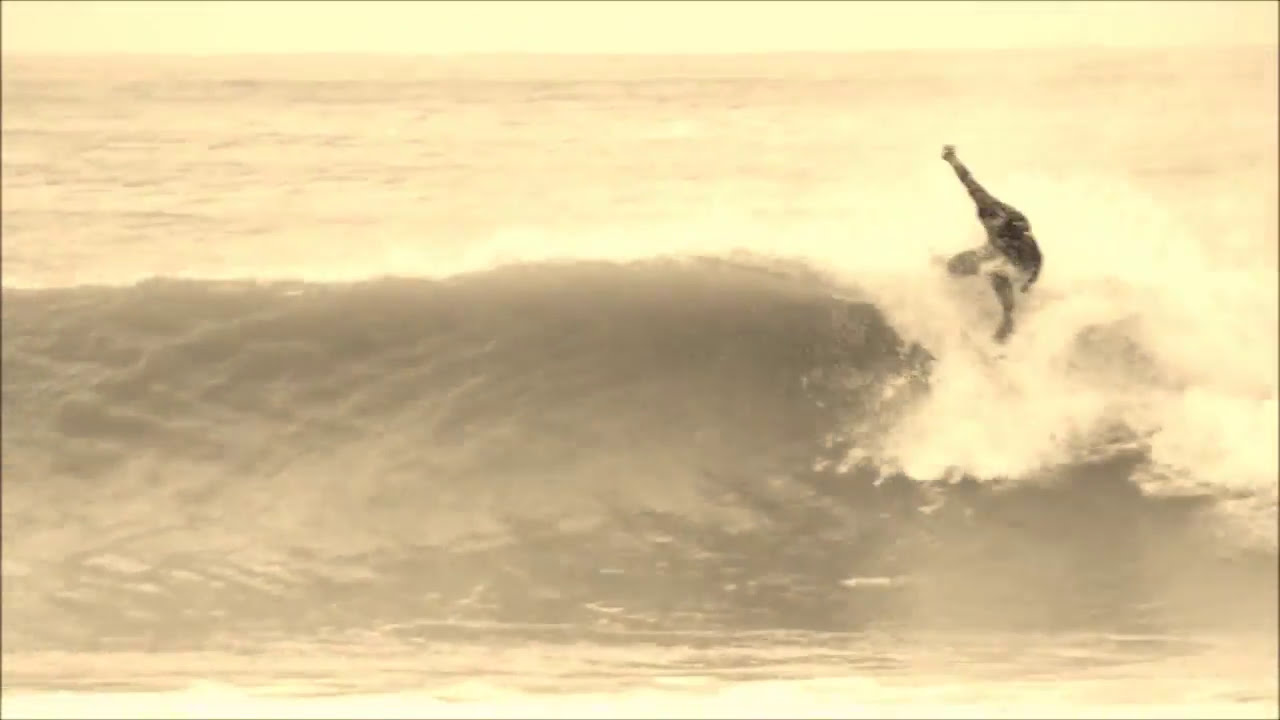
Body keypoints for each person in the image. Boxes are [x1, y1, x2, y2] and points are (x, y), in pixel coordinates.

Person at [941, 145, 1043, 342]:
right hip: (995, 250)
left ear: (1003, 220)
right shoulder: (985, 202)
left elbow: (1038, 258)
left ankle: (1007, 323)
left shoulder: (1021, 237)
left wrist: (1030, 282)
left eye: (995, 221)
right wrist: (952, 160)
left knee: (997, 273)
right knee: (955, 265)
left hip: (1016, 260)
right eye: (988, 221)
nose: (990, 224)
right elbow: (968, 180)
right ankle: (951, 273)